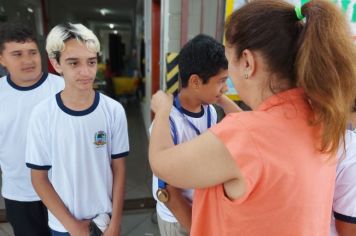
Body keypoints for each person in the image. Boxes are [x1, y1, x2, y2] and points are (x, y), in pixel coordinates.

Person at [149, 0, 356, 235]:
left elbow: (161, 162)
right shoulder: (320, 121)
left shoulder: (244, 134)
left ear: (247, 62)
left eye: (229, 61)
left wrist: (162, 110)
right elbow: (258, 140)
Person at [25, 23, 129, 236]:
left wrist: (116, 222)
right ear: (56, 64)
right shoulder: (42, 115)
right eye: (74, 63)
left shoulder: (113, 110)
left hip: (106, 221)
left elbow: (118, 169)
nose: (86, 72)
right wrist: (73, 227)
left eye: (91, 62)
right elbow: (39, 178)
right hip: (64, 226)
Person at [152, 34, 233, 235]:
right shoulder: (167, 121)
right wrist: (196, 230)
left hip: (202, 210)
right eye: (221, 81)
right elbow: (169, 191)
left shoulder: (211, 111)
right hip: (179, 219)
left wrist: (219, 97)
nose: (225, 88)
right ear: (195, 82)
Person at [0, 22, 64, 236]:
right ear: (2, 59)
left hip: (64, 191)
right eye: (17, 54)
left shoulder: (64, 88)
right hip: (20, 196)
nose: (28, 60)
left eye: (32, 52)